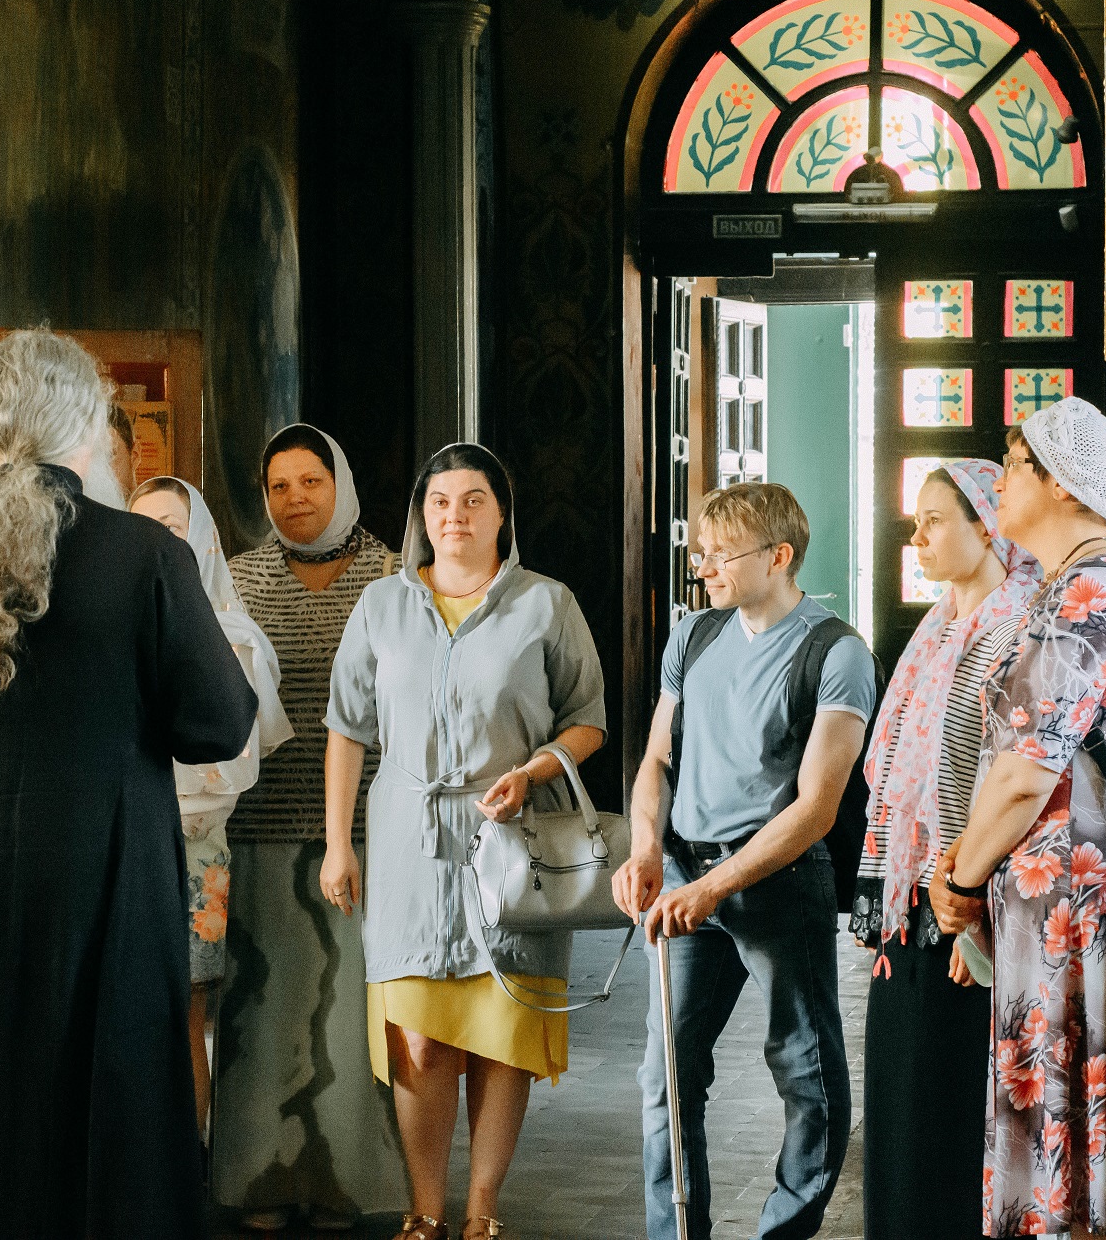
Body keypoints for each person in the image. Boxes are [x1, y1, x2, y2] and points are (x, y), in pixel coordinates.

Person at [0, 329, 257, 1240]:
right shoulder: (145, 556)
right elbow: (222, 722)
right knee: (109, 1101)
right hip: (109, 874)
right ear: (88, 431)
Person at [322, 443, 606, 1240]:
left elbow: (588, 719)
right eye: (441, 501)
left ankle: (482, 1210)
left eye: (474, 499)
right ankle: (424, 1209)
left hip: (511, 841)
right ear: (422, 514)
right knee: (417, 1034)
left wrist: (533, 769)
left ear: (501, 513)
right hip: (406, 843)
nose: (456, 516)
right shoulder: (381, 605)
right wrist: (338, 842)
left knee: (502, 1031)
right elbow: (347, 728)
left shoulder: (547, 603)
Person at [930, 397, 1106, 1239]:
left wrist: (960, 877)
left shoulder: (1086, 597)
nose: (1001, 480)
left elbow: (1023, 777)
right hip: (1081, 907)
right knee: (1084, 1125)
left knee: (1061, 1133)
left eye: (1015, 464)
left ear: (1063, 484)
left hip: (1070, 917)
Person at [611, 481, 877, 1240]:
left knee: (805, 1074)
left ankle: (782, 1231)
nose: (703, 567)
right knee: (667, 1075)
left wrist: (715, 887)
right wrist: (645, 846)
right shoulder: (693, 636)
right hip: (686, 879)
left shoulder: (838, 653)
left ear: (779, 556)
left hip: (779, 885)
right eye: (701, 552)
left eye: (720, 554)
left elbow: (816, 809)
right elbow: (657, 760)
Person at [215, 424, 407, 1231]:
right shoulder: (236, 578)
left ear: (341, 483)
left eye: (311, 481)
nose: (295, 498)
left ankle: (346, 1186)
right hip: (256, 826)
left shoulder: (393, 574)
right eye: (279, 486)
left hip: (366, 835)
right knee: (259, 1018)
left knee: (352, 1021)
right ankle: (257, 1183)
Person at [851, 462, 1039, 1240]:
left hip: (967, 911)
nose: (918, 536)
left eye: (934, 519)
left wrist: (975, 914)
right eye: (915, 521)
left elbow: (1011, 780)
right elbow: (896, 773)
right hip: (911, 906)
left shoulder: (1018, 626)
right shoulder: (934, 630)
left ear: (985, 525)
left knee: (949, 1119)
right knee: (899, 1112)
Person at [128, 475, 293, 1141]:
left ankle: (181, 1169)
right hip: (120, 845)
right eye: (142, 526)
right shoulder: (110, 624)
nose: (156, 539)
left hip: (192, 848)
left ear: (200, 537)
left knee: (186, 1012)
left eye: (171, 526)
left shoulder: (232, 636)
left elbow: (230, 767)